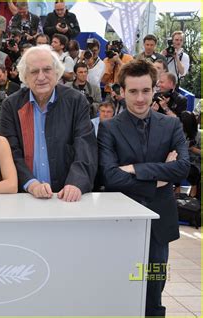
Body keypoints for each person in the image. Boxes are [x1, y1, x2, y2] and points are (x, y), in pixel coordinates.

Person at [98, 59, 190, 316]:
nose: (140, 98)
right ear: (122, 91)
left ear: (154, 90)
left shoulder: (171, 124)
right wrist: (161, 176)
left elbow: (182, 168)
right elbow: (110, 177)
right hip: (122, 221)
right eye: (133, 91)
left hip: (160, 223)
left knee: (154, 286)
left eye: (146, 91)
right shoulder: (108, 129)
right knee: (120, 284)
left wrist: (136, 169)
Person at [0, 45, 97, 202]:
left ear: (57, 72)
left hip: (67, 197)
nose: (41, 77)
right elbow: (10, 152)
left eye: (47, 70)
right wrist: (31, 184)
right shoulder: (11, 105)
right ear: (24, 76)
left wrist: (75, 183)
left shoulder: (76, 101)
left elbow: (85, 148)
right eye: (34, 71)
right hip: (25, 197)